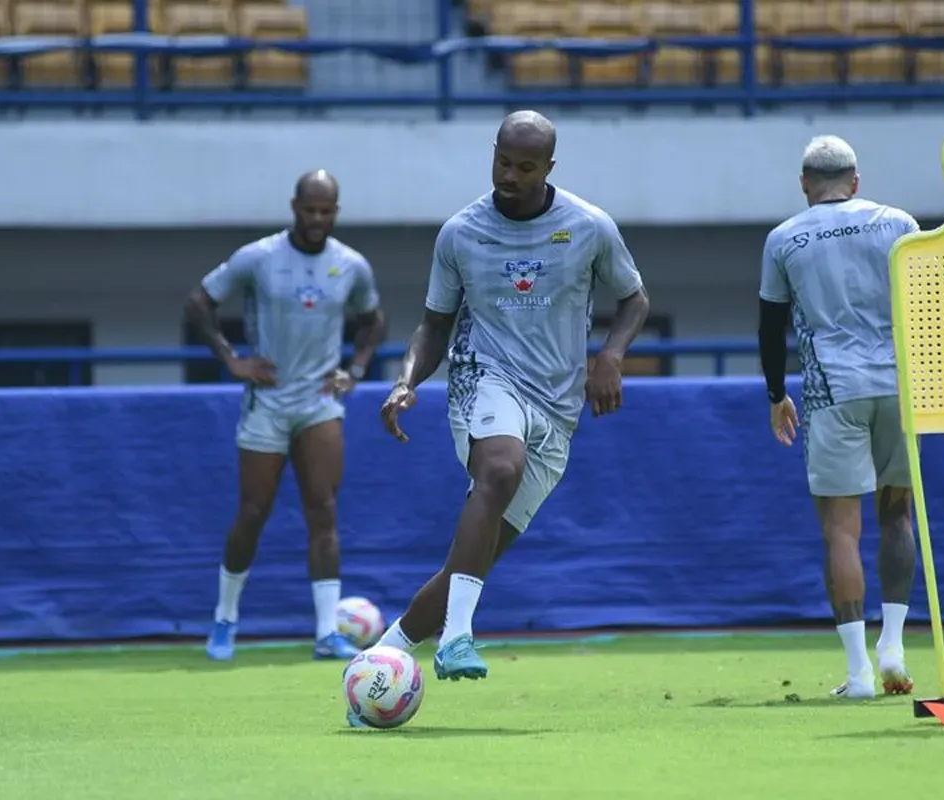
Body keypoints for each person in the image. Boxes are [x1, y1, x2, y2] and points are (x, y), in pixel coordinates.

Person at [374, 110, 650, 687]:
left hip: (557, 407)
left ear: (549, 167)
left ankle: (379, 660)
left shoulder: (589, 226)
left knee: (469, 565)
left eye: (526, 167)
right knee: (499, 469)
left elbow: (634, 300)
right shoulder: (460, 233)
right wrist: (406, 381)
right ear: (492, 153)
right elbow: (434, 324)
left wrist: (611, 357)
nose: (510, 175)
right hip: (484, 379)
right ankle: (457, 638)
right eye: (503, 161)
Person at [184, 170, 387, 662]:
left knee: (323, 509)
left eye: (326, 210)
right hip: (268, 402)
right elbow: (199, 301)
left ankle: (325, 633)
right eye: (309, 209)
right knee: (252, 512)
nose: (317, 218)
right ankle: (225, 622)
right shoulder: (260, 257)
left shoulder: (351, 265)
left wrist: (356, 369)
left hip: (319, 401)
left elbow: (374, 320)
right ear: (294, 206)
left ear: (336, 211)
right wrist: (231, 358)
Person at [757, 135, 921, 700]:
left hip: (833, 391)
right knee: (897, 516)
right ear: (857, 180)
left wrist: (777, 393)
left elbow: (770, 324)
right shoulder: (900, 224)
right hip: (902, 386)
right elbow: (926, 304)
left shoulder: (784, 238)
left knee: (840, 530)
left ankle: (858, 675)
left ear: (804, 184)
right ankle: (894, 645)